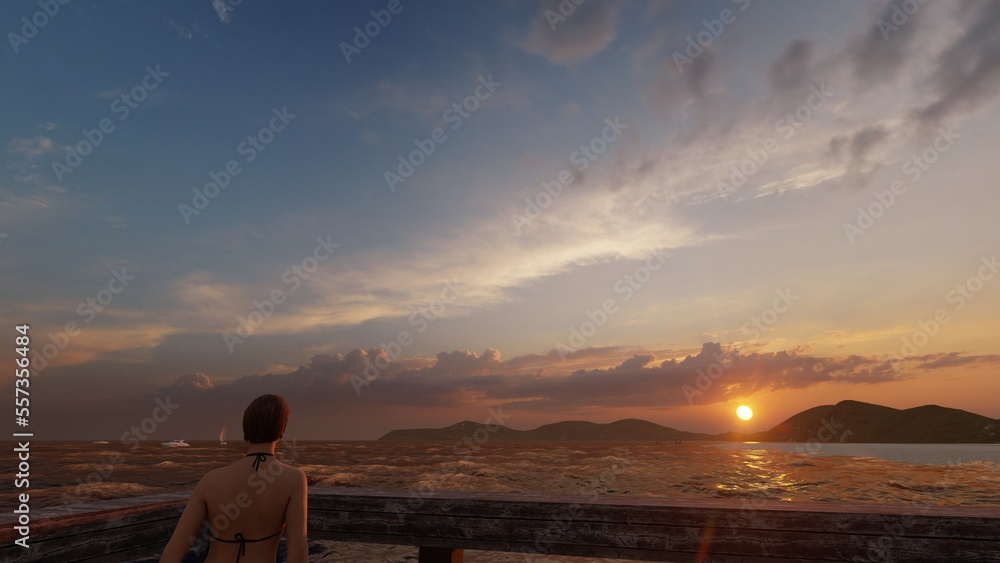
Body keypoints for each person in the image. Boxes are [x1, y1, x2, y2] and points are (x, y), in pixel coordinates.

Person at [159, 394, 308, 563]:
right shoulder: (294, 480)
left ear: (246, 427)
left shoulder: (210, 480)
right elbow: (298, 557)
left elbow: (171, 556)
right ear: (283, 428)